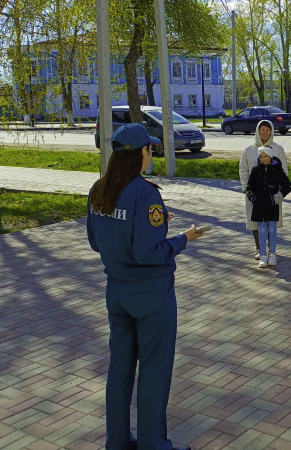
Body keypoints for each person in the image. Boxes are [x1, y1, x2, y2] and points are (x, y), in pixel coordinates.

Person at [86, 123, 202, 450]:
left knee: (120, 372)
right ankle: (154, 444)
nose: (151, 155)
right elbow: (148, 252)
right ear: (142, 152)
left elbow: (97, 242)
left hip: (117, 294)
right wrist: (183, 238)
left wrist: (158, 223)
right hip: (151, 297)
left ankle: (118, 442)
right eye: (150, 149)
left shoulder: (99, 190)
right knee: (153, 373)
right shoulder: (146, 193)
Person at [240, 120, 288, 260]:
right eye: (263, 129)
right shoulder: (249, 150)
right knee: (256, 221)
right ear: (258, 131)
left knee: (271, 222)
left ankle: (271, 250)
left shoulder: (278, 149)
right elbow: (243, 170)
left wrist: (280, 190)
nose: (265, 132)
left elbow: (283, 169)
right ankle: (259, 248)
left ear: (272, 131)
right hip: (255, 193)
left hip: (272, 193)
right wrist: (247, 190)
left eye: (268, 129)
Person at [245, 146, 291, 268]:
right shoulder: (256, 170)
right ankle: (263, 255)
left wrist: (280, 194)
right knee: (261, 231)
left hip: (272, 205)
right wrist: (253, 198)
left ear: (270, 156)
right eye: (261, 157)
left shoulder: (277, 170)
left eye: (266, 156)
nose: (263, 159)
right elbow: (249, 188)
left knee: (272, 230)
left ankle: (272, 254)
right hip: (259, 205)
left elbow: (287, 185)